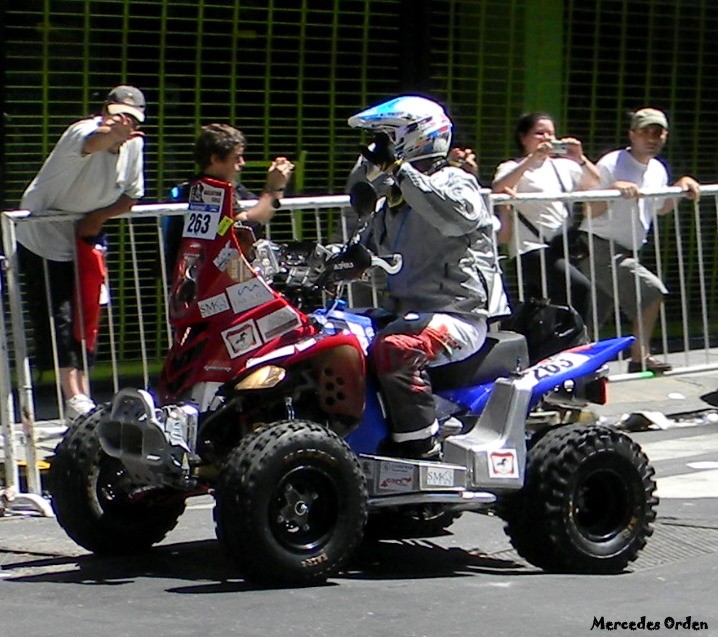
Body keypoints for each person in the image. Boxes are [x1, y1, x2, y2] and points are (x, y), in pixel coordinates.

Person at [348, 95, 504, 459]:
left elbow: (453, 218)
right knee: (341, 333)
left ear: (412, 137)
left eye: (383, 138)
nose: (374, 149)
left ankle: (420, 448)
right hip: (407, 313)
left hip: (458, 317)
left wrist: (398, 169)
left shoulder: (456, 181)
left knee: (396, 349)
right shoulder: (396, 199)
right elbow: (365, 251)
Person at [16, 85, 147, 423]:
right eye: (116, 114)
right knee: (58, 315)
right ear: (103, 112)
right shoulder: (83, 130)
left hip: (86, 234)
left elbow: (130, 197)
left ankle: (84, 395)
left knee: (88, 315)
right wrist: (110, 133)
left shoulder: (135, 145)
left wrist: (96, 219)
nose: (122, 122)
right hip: (43, 234)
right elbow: (93, 143)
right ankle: (72, 396)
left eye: (130, 119)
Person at [578, 107, 700, 373]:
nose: (652, 138)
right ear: (632, 134)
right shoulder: (612, 162)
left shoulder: (658, 169)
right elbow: (589, 210)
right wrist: (612, 191)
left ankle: (576, 373)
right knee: (652, 291)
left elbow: (660, 208)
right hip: (599, 246)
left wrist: (680, 188)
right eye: (645, 132)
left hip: (627, 249)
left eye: (658, 132)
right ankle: (639, 357)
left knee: (592, 318)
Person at [491, 112, 600, 321]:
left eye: (550, 134)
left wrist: (581, 159)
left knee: (546, 308)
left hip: (561, 246)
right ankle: (579, 346)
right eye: (539, 133)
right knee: (580, 288)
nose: (546, 139)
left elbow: (595, 184)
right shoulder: (512, 167)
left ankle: (545, 350)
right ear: (523, 138)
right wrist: (532, 159)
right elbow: (499, 188)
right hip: (530, 248)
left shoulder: (564, 166)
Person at [164, 123, 294, 274]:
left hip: (227, 270)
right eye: (237, 158)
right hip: (209, 275)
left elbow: (256, 209)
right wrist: (275, 187)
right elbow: (249, 218)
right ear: (215, 159)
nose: (242, 163)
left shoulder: (231, 186)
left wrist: (273, 189)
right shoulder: (206, 190)